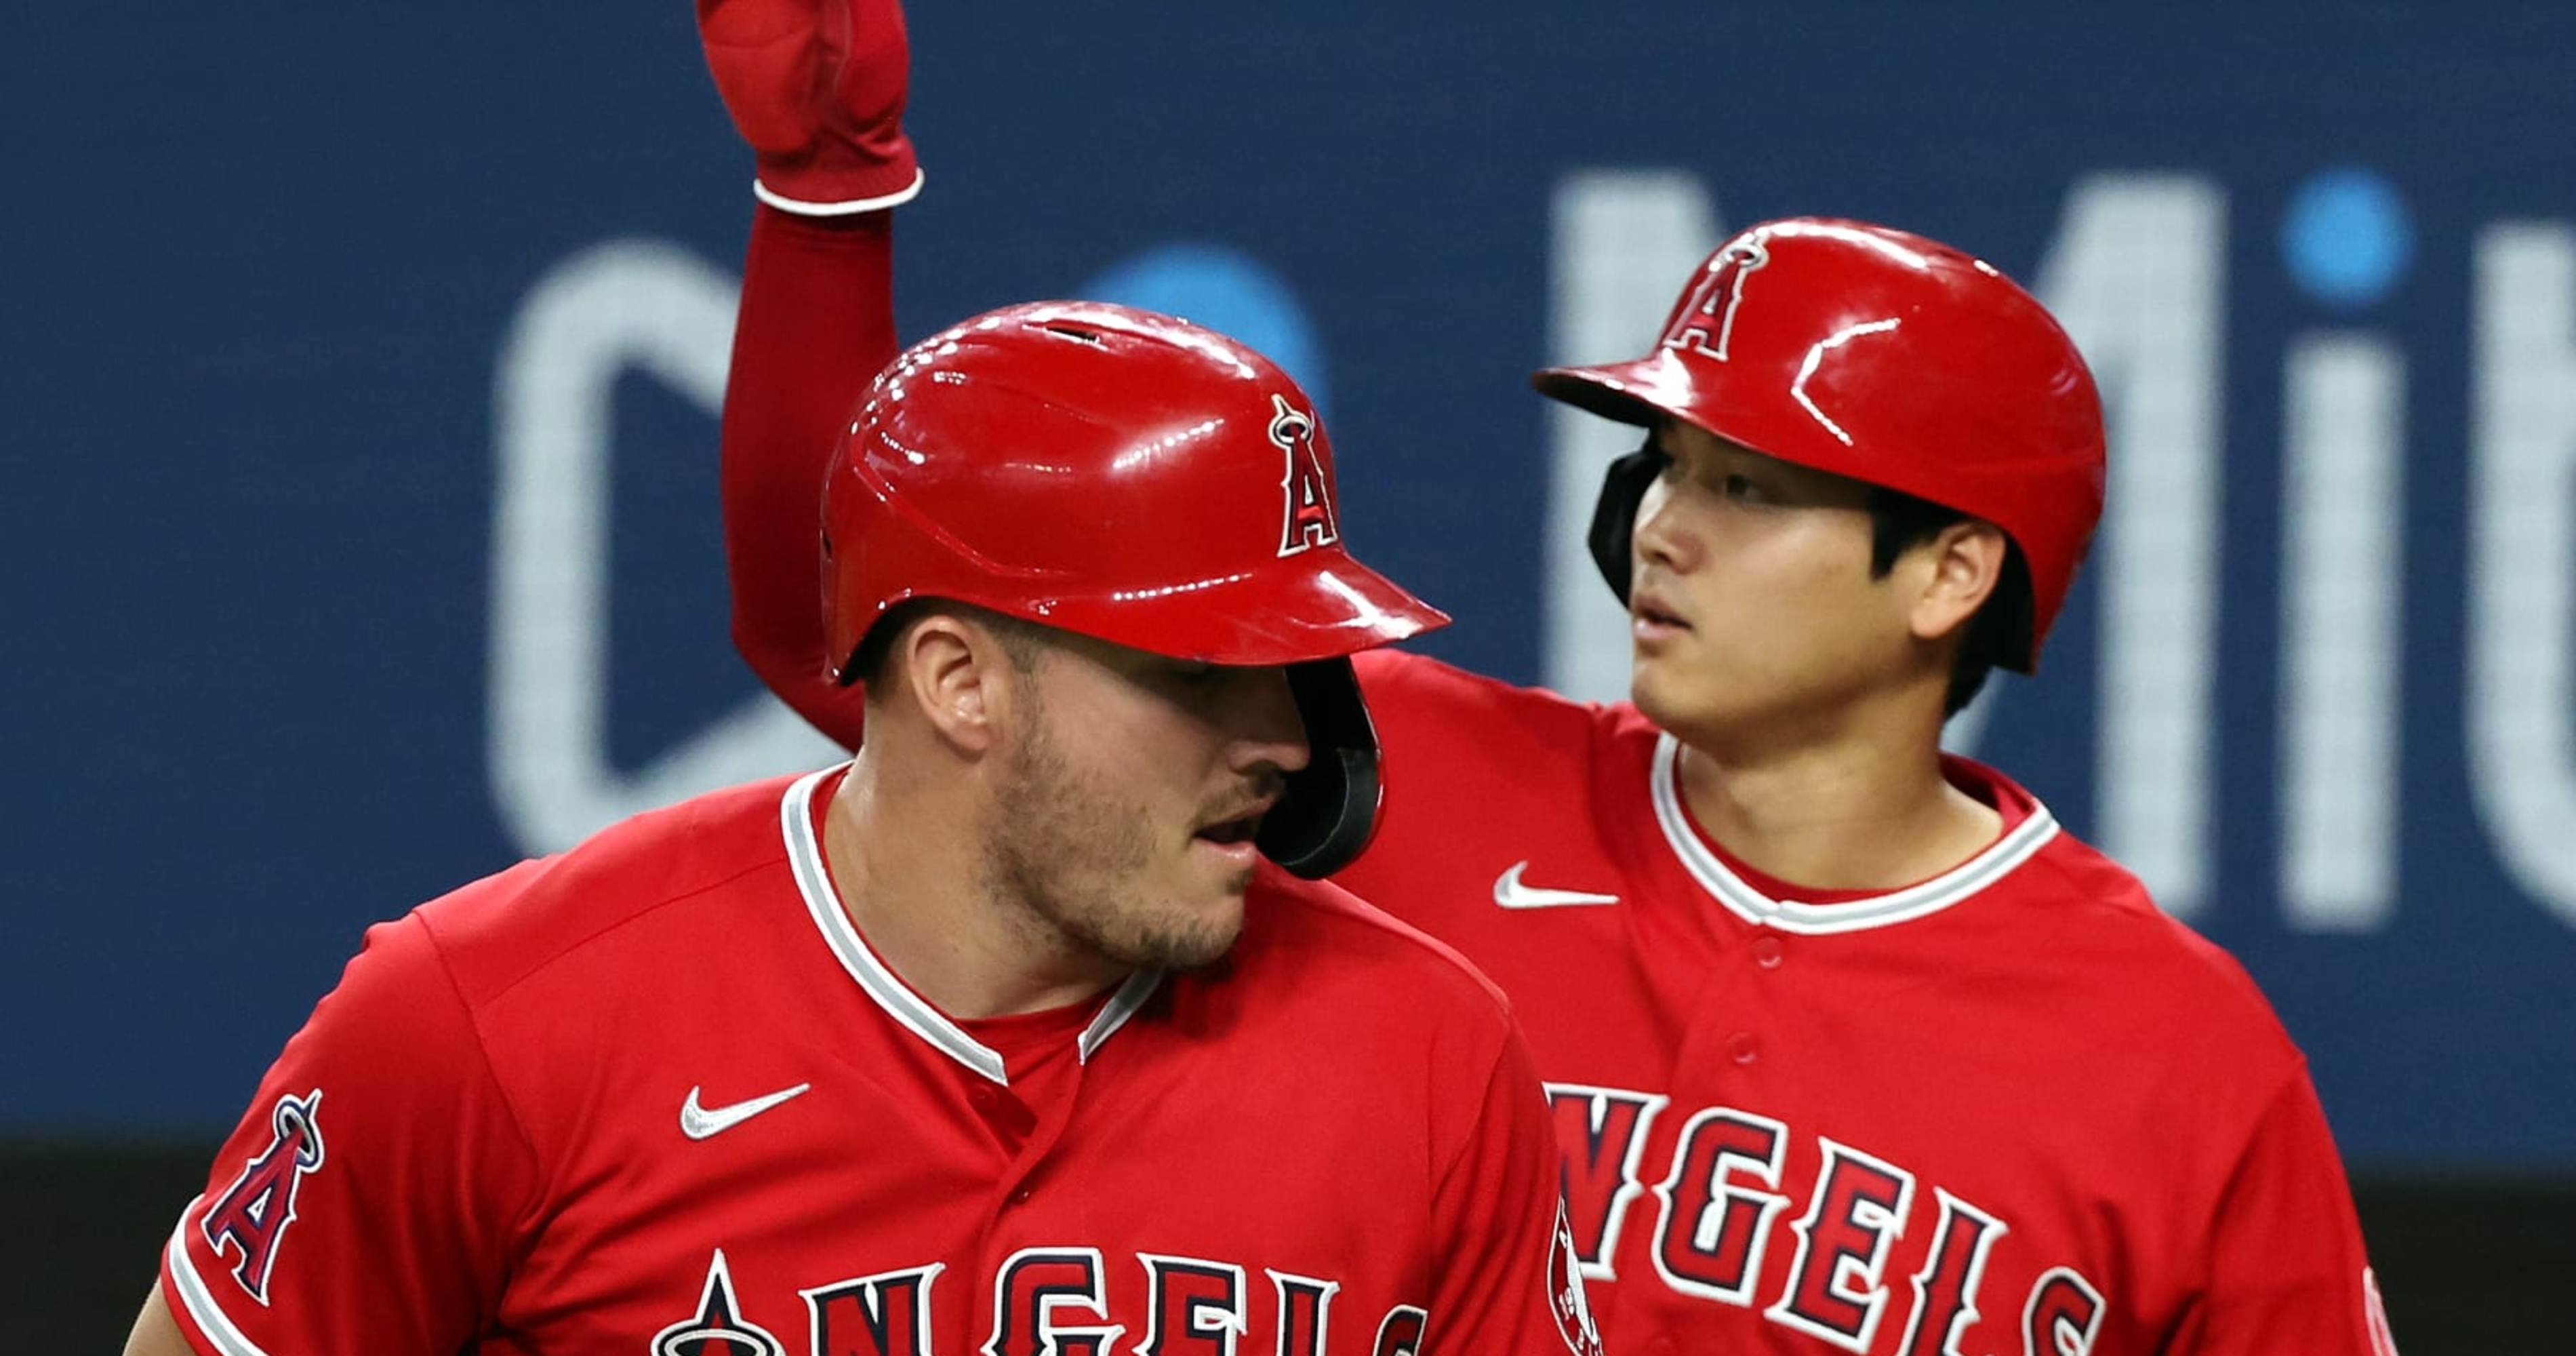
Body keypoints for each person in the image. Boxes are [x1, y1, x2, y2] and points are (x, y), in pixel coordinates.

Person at [709, 5, 2399, 1356]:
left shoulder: (2173, 1054)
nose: (1663, 527)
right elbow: (856, 640)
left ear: (1951, 574)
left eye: (1749, 487)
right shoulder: (1390, 787)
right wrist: (827, 205)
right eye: (1662, 467)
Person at [119, 47, 1605, 1354]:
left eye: (1295, 667)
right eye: (1201, 676)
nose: (1282, 741)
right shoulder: (489, 1028)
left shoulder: (1431, 1064)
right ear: (958, 678)